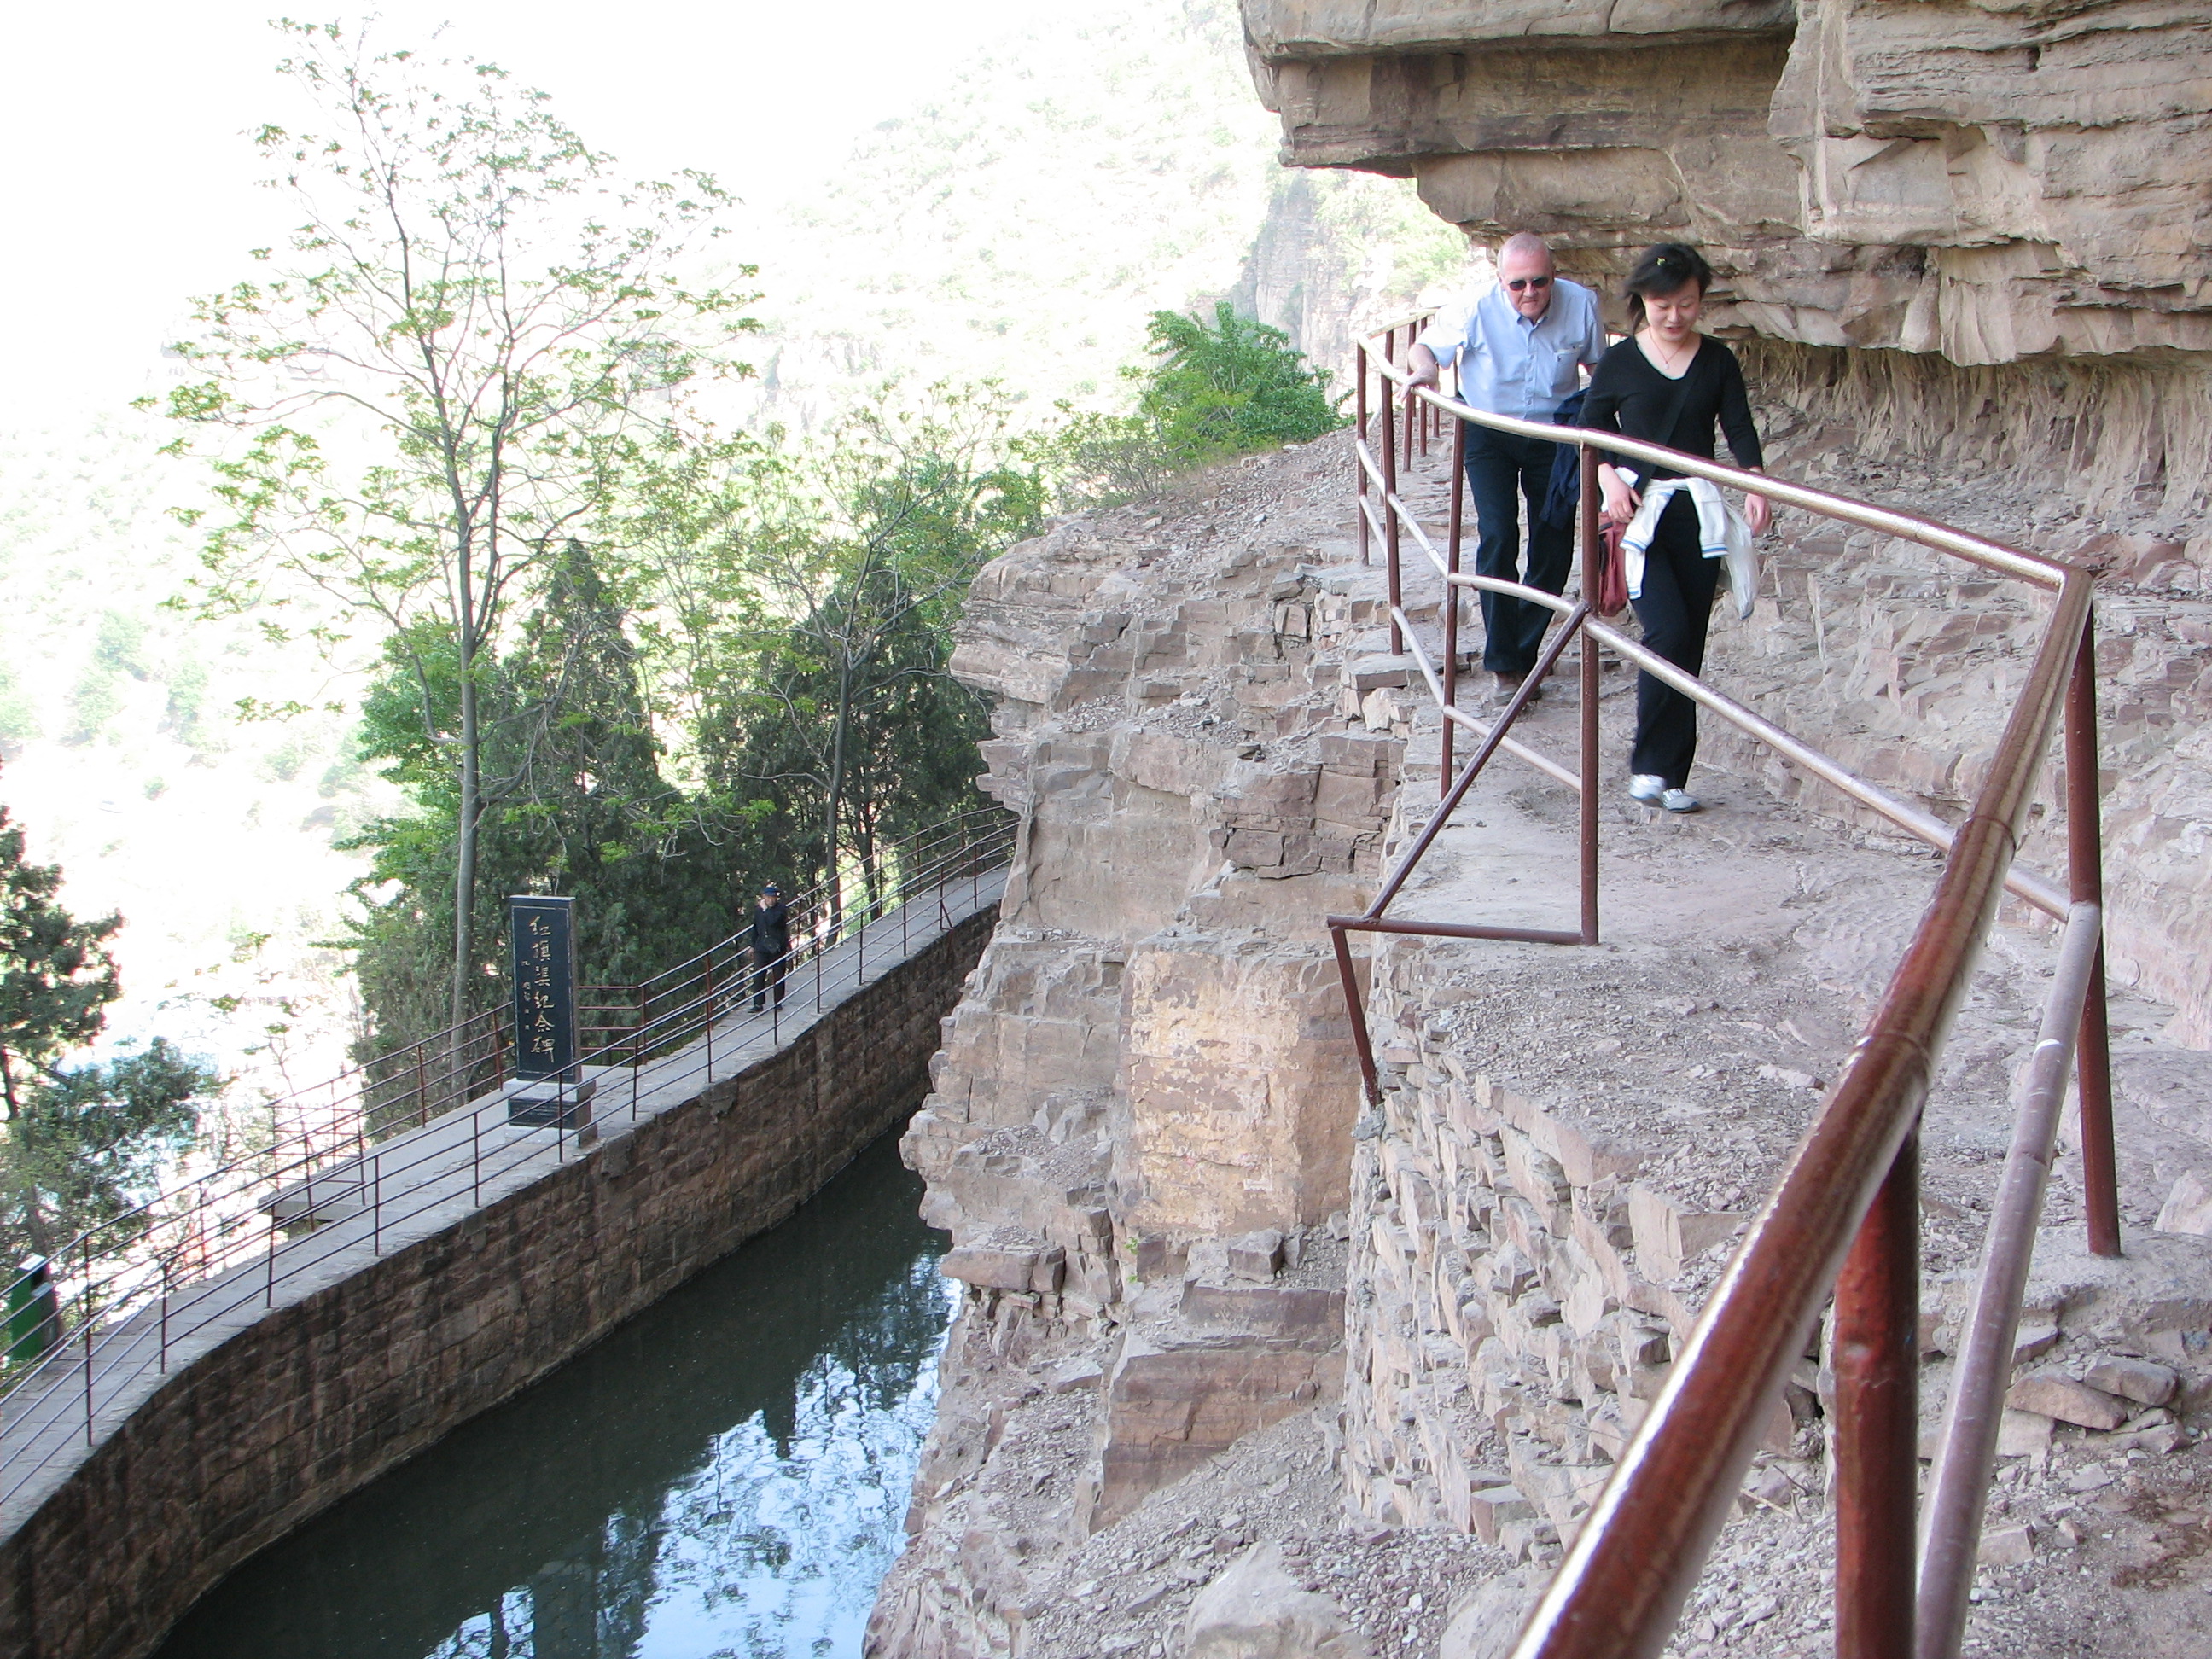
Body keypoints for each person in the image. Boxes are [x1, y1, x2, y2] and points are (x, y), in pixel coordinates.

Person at [1580, 243, 1771, 816]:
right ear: (1643, 300)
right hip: (1641, 515)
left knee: (1690, 643)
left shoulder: (1716, 360)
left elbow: (1738, 425)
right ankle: (1647, 764)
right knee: (1665, 631)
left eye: (1686, 304)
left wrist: (1756, 483)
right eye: (1663, 305)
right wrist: (1608, 482)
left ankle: (1674, 774)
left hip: (1697, 511)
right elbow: (1590, 427)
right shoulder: (1621, 361)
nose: (1674, 316)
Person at [1407, 233, 1609, 704]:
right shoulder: (1474, 307)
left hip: (1553, 433)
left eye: (1539, 282)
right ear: (1501, 282)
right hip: (1488, 429)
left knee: (1553, 542)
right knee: (1498, 535)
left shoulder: (1580, 304)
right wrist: (1427, 372)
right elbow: (1425, 348)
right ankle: (1503, 663)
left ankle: (1525, 654)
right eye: (1518, 284)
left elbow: (1599, 368)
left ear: (1554, 276)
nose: (1529, 293)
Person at [748, 882, 792, 1011]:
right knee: (758, 975)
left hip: (777, 947)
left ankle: (778, 1002)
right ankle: (758, 1003)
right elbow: (755, 927)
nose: (771, 900)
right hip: (762, 947)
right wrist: (752, 945)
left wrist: (766, 910)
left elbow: (773, 921)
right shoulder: (759, 910)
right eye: (768, 897)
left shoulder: (781, 909)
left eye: (773, 897)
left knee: (778, 974)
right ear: (764, 897)